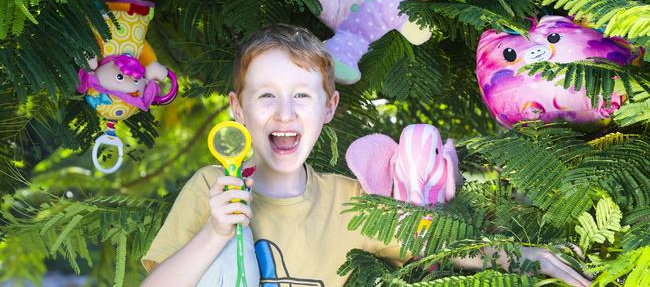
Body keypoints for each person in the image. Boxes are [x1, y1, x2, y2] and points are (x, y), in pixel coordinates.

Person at [140, 24, 590, 287]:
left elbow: (444, 244)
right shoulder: (210, 188)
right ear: (237, 109)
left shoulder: (351, 201)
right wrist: (215, 233)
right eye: (265, 96)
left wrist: (530, 256)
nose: (284, 112)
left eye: (301, 96)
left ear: (329, 108)